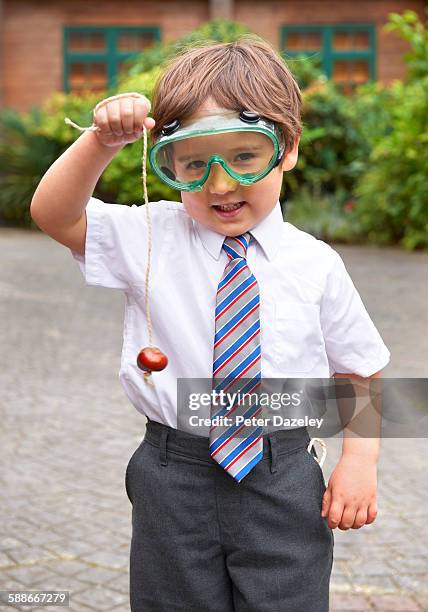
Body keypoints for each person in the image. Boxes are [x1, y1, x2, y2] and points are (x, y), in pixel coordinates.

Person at [30, 37, 390, 612]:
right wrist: (101, 141)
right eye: (195, 164)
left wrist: (360, 463)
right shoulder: (149, 235)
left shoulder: (316, 263)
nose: (220, 184)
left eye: (244, 157)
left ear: (286, 149)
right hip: (175, 474)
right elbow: (54, 215)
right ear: (167, 162)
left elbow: (360, 367)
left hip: (284, 471)